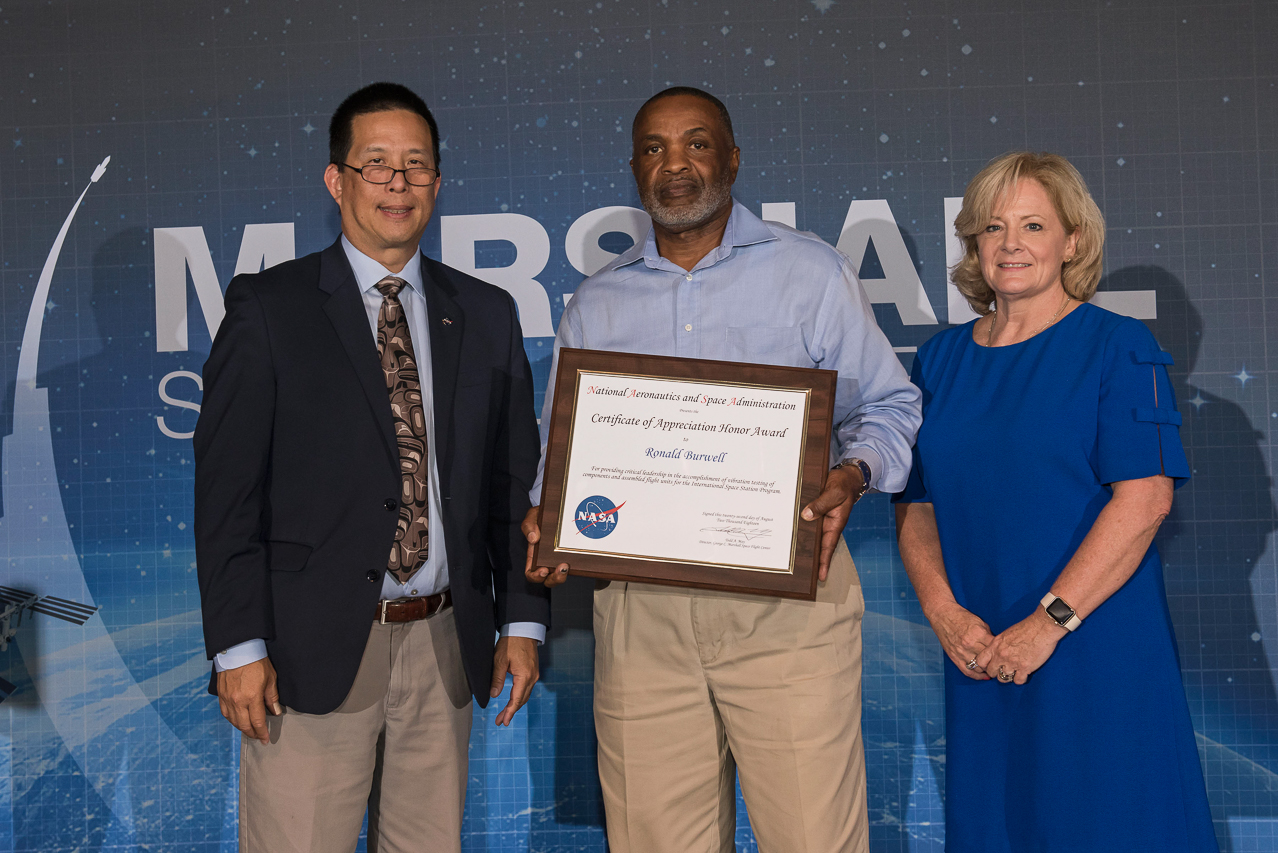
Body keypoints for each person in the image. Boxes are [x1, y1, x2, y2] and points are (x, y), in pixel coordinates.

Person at [523, 87, 921, 853]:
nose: (675, 165)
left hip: (790, 604)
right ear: (633, 169)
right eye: (653, 149)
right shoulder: (596, 304)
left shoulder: (812, 273)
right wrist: (550, 515)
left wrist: (856, 472)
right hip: (644, 614)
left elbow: (892, 408)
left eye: (696, 144)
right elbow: (559, 465)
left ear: (733, 158)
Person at [194, 82, 548, 853]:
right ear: (337, 180)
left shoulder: (486, 312)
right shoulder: (269, 307)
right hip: (305, 653)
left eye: (415, 166)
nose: (397, 183)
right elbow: (227, 498)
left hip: (446, 644)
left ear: (438, 185)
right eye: (376, 163)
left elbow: (511, 485)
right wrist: (238, 648)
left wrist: (522, 619)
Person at [893, 152, 1218, 852]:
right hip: (979, 649)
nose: (1011, 243)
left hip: (1090, 644)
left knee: (1105, 824)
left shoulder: (1118, 346)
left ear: (1072, 240)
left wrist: (1048, 624)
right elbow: (916, 505)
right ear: (974, 244)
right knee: (998, 825)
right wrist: (945, 614)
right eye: (993, 226)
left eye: (1033, 224)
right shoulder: (939, 359)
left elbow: (1146, 500)